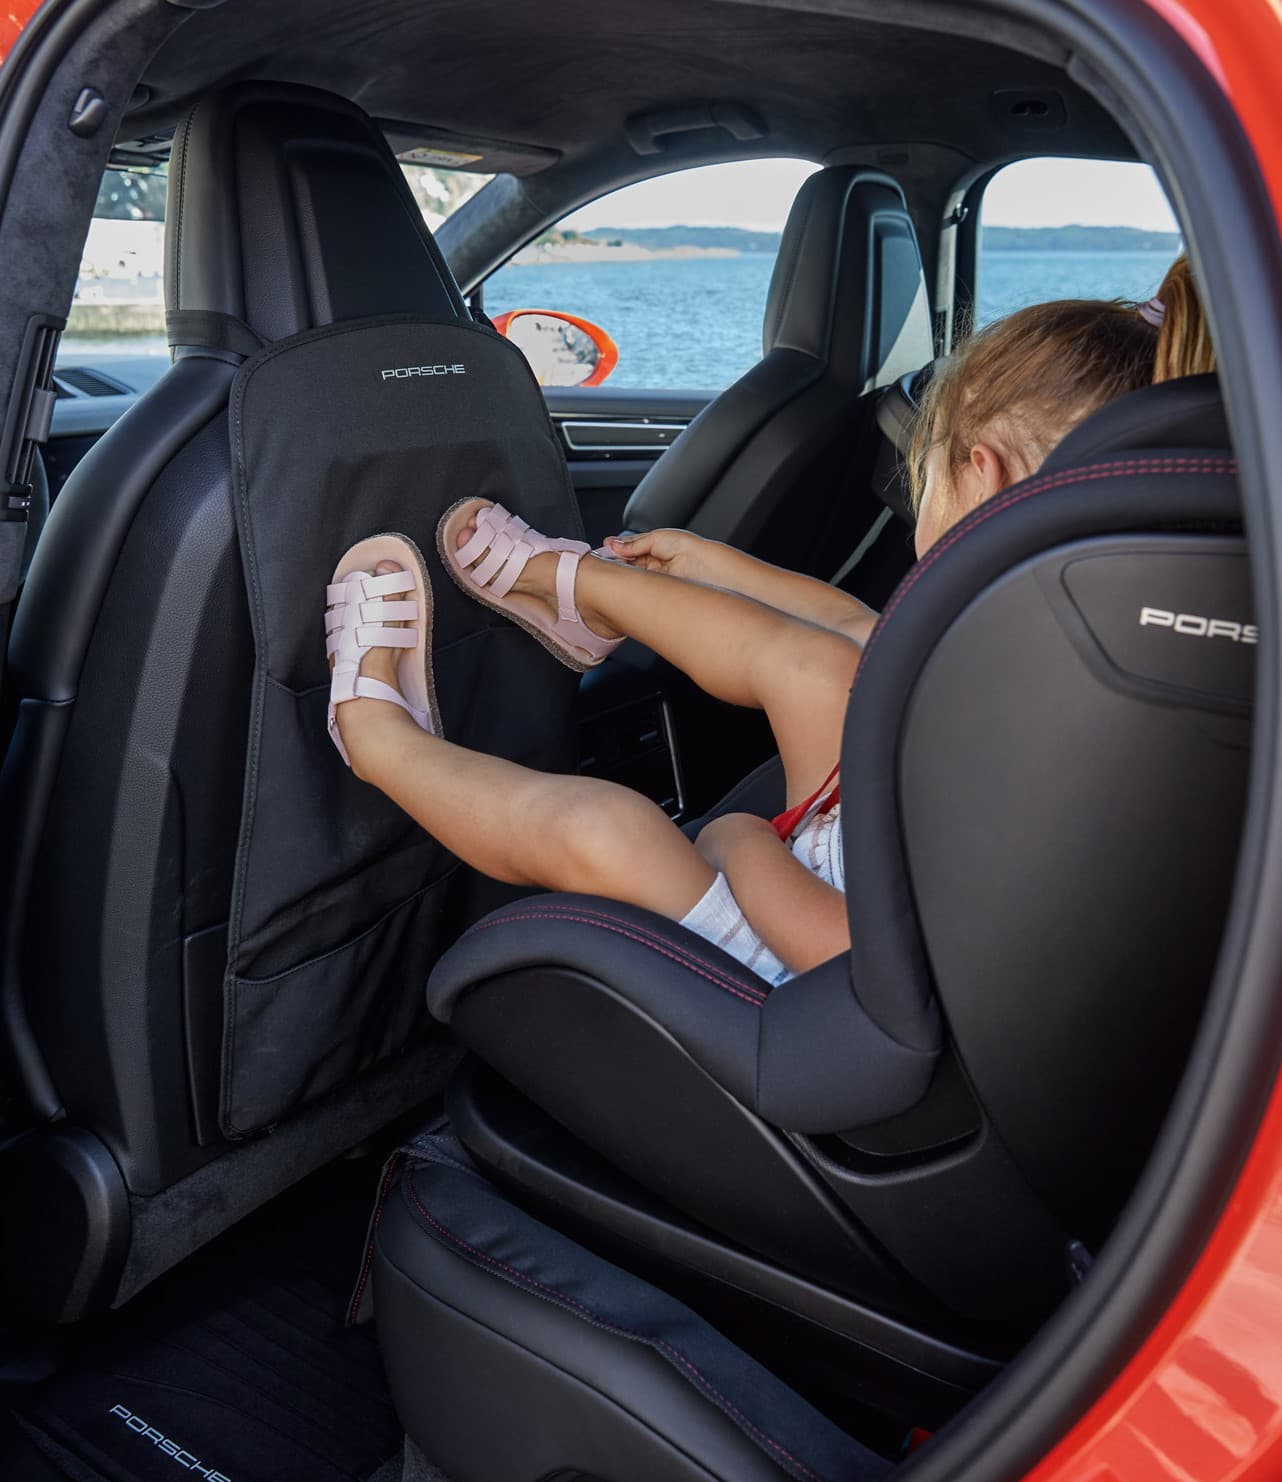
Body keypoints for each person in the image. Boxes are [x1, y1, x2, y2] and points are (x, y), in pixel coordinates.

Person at [324, 254, 1214, 988]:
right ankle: (582, 589)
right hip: (860, 871)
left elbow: (857, 955)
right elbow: (866, 626)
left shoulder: (1040, 754)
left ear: (980, 472)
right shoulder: (1079, 652)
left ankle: (379, 740)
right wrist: (717, 565)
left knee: (611, 831)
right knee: (827, 661)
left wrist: (741, 844)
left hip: (806, 982)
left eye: (926, 468)